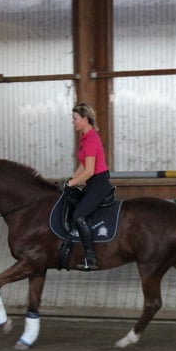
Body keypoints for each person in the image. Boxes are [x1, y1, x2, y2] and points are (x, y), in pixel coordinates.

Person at [65, 103, 112, 271]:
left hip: (99, 183)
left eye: (75, 119)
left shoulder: (91, 139)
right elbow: (83, 165)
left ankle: (91, 258)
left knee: (78, 216)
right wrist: (71, 179)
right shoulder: (85, 138)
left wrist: (72, 183)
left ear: (85, 119)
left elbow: (90, 171)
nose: (73, 122)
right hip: (92, 182)